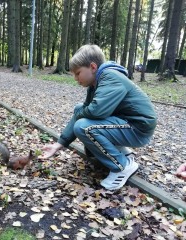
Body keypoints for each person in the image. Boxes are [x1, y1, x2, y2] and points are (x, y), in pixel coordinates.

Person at [39, 44, 157, 190]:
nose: (76, 78)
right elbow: (85, 110)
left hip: (138, 128)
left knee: (83, 127)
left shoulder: (111, 77)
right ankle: (123, 154)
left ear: (93, 67)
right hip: (126, 124)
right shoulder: (96, 83)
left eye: (78, 73)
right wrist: (59, 144)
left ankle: (122, 166)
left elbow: (96, 112)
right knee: (80, 112)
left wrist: (79, 114)